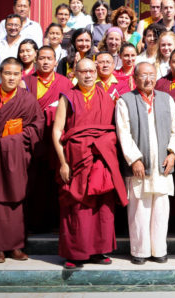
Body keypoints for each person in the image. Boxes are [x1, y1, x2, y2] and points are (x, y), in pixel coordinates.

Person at [52, 58, 128, 269]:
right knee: (76, 207)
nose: (88, 75)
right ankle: (75, 253)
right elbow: (57, 131)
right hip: (76, 161)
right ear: (74, 74)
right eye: (83, 71)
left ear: (97, 72)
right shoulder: (68, 97)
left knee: (102, 207)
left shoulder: (108, 96)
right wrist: (63, 162)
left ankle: (97, 251)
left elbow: (114, 129)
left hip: (101, 160)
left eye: (91, 71)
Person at [0, 57, 43, 263]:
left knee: (17, 201)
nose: (11, 78)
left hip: (18, 156)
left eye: (15, 74)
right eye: (7, 73)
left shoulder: (28, 99)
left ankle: (16, 246)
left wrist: (13, 141)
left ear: (21, 75)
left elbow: (38, 126)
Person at [116, 62, 175, 265]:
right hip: (139, 165)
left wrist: (172, 153)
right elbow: (123, 133)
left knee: (161, 209)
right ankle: (139, 251)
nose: (148, 79)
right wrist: (134, 159)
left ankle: (159, 249)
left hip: (162, 165)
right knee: (139, 210)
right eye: (143, 75)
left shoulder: (166, 99)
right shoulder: (125, 100)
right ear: (134, 78)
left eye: (152, 75)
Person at [22, 46, 73, 232]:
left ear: (55, 61)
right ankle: (33, 223)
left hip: (55, 139)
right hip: (33, 138)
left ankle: (54, 222)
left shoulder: (65, 82)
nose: (45, 62)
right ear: (36, 60)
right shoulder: (26, 82)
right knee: (33, 181)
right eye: (41, 58)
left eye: (49, 58)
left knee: (54, 181)